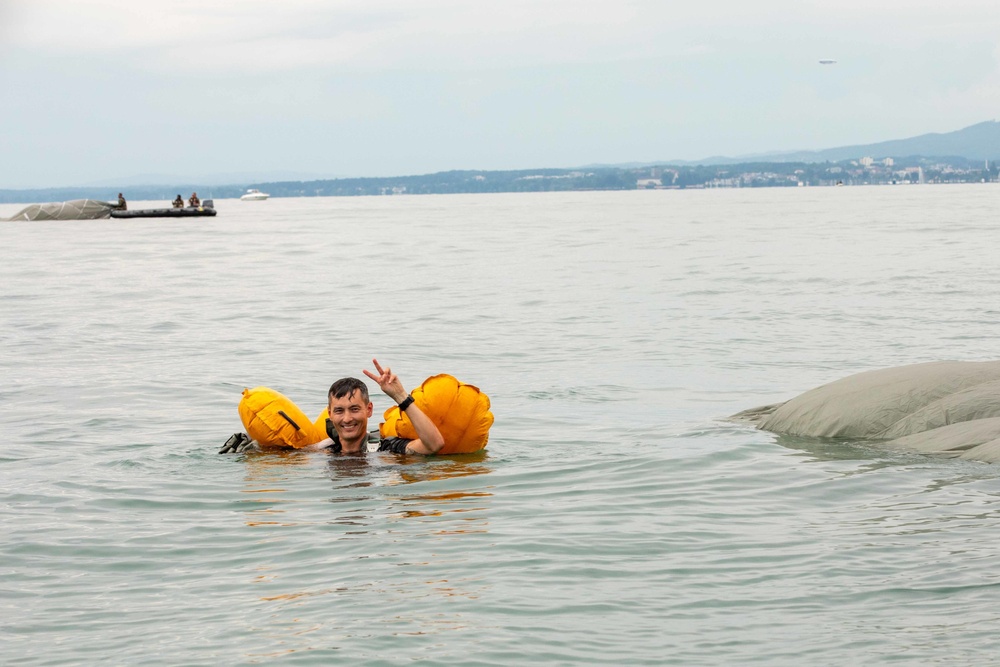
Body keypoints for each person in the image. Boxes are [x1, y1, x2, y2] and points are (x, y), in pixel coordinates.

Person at [219, 359, 445, 456]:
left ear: (369, 410)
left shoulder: (386, 449)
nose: (347, 418)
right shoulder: (323, 450)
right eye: (339, 411)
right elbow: (284, 460)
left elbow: (434, 445)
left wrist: (400, 396)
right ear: (330, 414)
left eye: (354, 409)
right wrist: (253, 447)